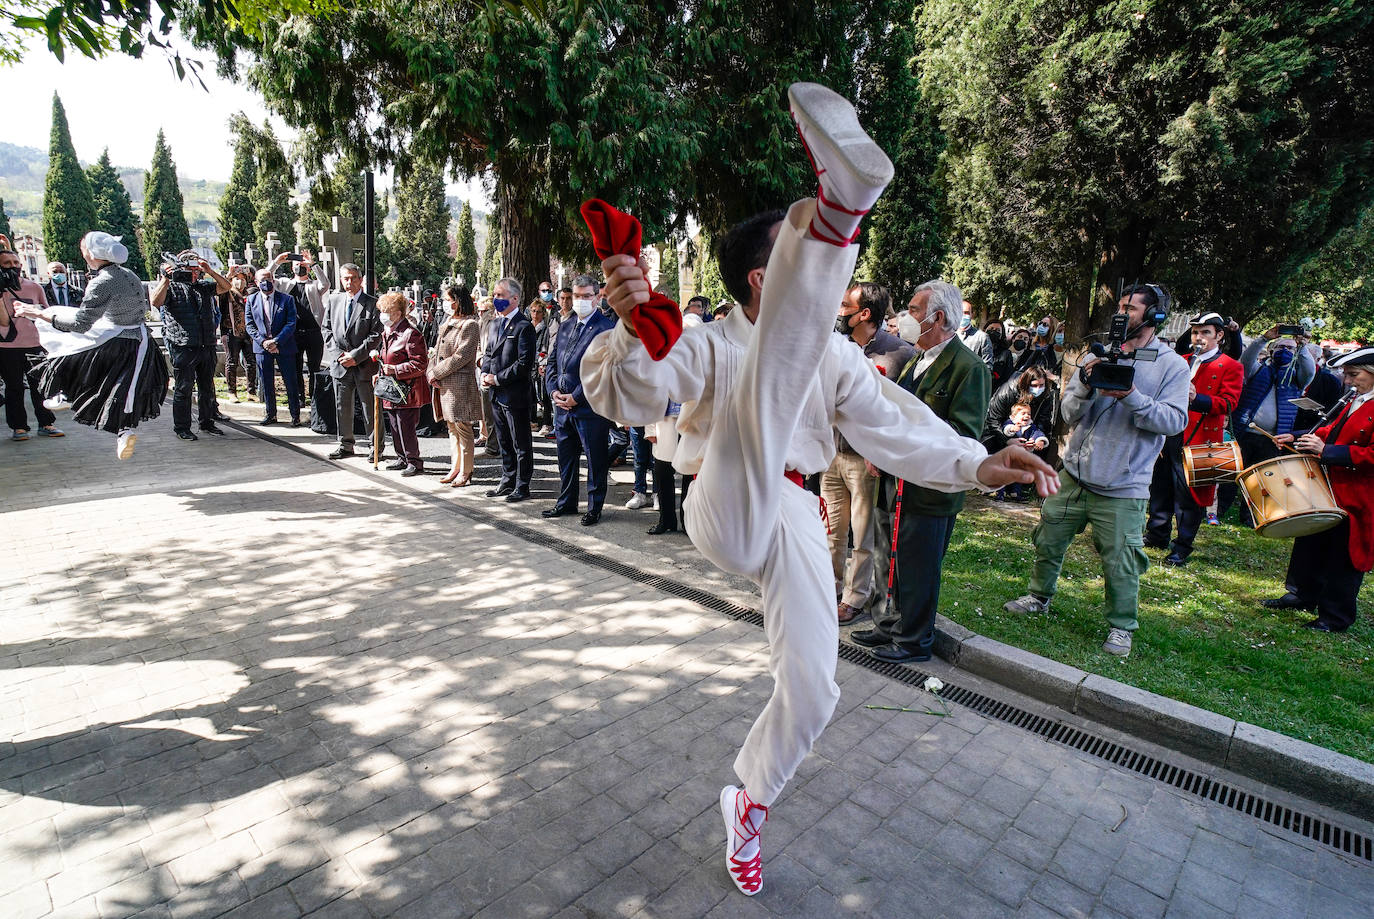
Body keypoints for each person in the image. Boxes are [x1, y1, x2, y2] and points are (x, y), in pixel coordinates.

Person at [582, 83, 1055, 897]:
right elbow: (626, 394)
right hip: (725, 501)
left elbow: (892, 422)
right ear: (768, 278)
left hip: (797, 509)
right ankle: (841, 204)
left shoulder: (833, 356)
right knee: (765, 398)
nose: (839, 295)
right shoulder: (706, 344)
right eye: (811, 270)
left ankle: (748, 799)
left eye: (827, 263)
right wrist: (631, 324)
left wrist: (977, 462)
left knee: (816, 684)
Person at [1004, 283, 1188, 658]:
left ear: (1154, 316)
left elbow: (1173, 421)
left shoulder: (1173, 366)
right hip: (1075, 474)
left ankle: (1122, 627)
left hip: (1123, 486)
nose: (1121, 315)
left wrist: (1130, 396)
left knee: (1122, 560)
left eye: (1131, 308)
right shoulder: (1097, 355)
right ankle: (1039, 596)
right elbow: (1068, 413)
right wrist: (1086, 383)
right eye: (1119, 307)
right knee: (1048, 538)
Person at [851, 279, 991, 663]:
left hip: (930, 491)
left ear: (938, 317)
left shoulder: (968, 367)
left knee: (919, 568)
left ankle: (914, 641)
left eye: (913, 310)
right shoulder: (917, 358)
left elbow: (962, 436)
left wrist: (901, 453)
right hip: (894, 483)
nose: (904, 318)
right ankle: (887, 625)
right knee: (888, 559)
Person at [20, 231, 169, 460]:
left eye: (83, 250)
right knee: (121, 391)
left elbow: (80, 324)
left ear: (92, 254)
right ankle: (124, 431)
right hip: (142, 342)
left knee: (68, 353)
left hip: (115, 342)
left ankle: (64, 394)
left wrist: (40, 315)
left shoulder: (103, 281)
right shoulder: (129, 274)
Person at [823, 280, 914, 625]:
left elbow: (901, 411)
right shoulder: (839, 347)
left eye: (846, 306)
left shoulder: (899, 354)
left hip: (867, 461)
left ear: (864, 313)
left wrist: (882, 450)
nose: (840, 311)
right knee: (833, 529)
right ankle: (827, 589)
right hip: (832, 453)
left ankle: (854, 598)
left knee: (862, 535)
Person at [1266, 347, 1374, 632]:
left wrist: (1328, 451)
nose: (1348, 381)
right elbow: (1332, 429)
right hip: (1327, 486)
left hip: (1357, 494)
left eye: (1355, 375)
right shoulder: (1356, 399)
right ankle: (1303, 594)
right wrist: (1299, 436)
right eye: (1347, 375)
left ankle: (1335, 616)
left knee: (1343, 555)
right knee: (1313, 541)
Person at [1144, 312, 1244, 565]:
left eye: (1205, 333)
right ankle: (1157, 534)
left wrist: (1196, 398)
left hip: (1200, 437)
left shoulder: (1231, 365)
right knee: (1161, 487)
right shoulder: (1182, 360)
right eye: (1196, 332)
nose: (1198, 338)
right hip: (1170, 432)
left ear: (1219, 336)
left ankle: (1182, 546)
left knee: (1189, 496)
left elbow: (1229, 403)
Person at [543, 275, 616, 525]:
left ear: (597, 297)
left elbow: (604, 371)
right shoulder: (566, 324)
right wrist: (553, 390)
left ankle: (595, 507)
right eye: (577, 296)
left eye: (586, 296)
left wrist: (576, 397)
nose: (581, 300)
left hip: (589, 407)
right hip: (561, 407)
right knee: (566, 458)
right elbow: (553, 362)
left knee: (595, 460)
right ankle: (566, 502)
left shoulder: (606, 328)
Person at [150, 251, 231, 441]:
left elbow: (225, 287)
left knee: (207, 387)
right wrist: (166, 278)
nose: (194, 274)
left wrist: (210, 270)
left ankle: (207, 422)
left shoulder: (203, 286)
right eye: (190, 270)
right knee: (183, 388)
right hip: (183, 345)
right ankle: (182, 427)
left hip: (206, 343)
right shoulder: (172, 286)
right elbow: (156, 301)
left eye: (196, 270)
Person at [0, 245, 63, 441]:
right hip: (7, 347)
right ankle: (19, 427)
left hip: (35, 344)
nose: (13, 267)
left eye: (16, 263)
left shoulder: (34, 287)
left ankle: (46, 423)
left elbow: (46, 313)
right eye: (7, 264)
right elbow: (3, 321)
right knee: (14, 387)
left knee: (40, 385)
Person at [482, 278, 536, 501]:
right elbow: (488, 353)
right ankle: (507, 479)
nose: (496, 299)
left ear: (514, 298)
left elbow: (524, 364)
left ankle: (522, 485)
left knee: (520, 442)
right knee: (504, 439)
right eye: (495, 295)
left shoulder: (524, 327)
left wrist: (498, 378)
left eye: (501, 295)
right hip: (496, 393)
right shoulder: (495, 324)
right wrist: (485, 373)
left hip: (515, 394)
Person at [322, 263, 382, 458]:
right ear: (341, 280)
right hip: (340, 364)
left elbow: (376, 335)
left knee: (369, 408)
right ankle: (345, 444)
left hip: (363, 365)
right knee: (342, 407)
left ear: (360, 279)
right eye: (345, 278)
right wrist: (340, 355)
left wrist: (355, 356)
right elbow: (326, 329)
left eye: (353, 278)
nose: (349, 282)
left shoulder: (372, 303)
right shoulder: (334, 300)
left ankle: (375, 447)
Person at [428, 284, 481, 486]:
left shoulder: (470, 325)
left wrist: (437, 371)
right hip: (444, 385)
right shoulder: (448, 321)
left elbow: (461, 356)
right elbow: (437, 350)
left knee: (463, 427)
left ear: (458, 300)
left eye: (448, 299)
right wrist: (431, 371)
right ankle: (455, 467)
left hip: (459, 384)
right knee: (451, 428)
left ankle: (466, 471)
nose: (445, 303)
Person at [374, 292, 429, 476]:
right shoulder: (387, 333)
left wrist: (395, 370)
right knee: (395, 426)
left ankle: (414, 461)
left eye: (387, 311)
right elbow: (385, 359)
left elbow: (420, 363)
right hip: (391, 390)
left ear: (398, 313)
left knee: (406, 426)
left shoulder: (410, 333)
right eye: (382, 311)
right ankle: (401, 457)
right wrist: (381, 373)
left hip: (408, 390)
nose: (383, 315)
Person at [246, 266, 301, 426]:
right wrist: (263, 342)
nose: (267, 282)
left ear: (273, 280)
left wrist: (276, 341)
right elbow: (249, 325)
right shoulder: (251, 300)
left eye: (269, 279)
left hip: (284, 345)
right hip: (262, 348)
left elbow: (291, 323)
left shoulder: (286, 299)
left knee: (290, 381)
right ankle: (271, 414)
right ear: (256, 282)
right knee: (266, 382)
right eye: (263, 280)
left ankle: (295, 415)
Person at [272, 250, 329, 401]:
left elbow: (325, 284)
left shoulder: (314, 285)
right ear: (292, 268)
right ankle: (299, 398)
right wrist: (277, 261)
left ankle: (315, 397)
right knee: (295, 366)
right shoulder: (285, 284)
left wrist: (313, 264)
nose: (300, 267)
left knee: (314, 367)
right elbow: (266, 278)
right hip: (293, 332)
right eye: (297, 265)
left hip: (313, 331)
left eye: (303, 265)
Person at [983, 365, 1059, 460]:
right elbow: (993, 420)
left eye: (1041, 385)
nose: (1038, 389)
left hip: (1025, 441)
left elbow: (1043, 422)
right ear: (1027, 384)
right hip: (999, 437)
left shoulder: (1045, 396)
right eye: (1034, 385)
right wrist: (1008, 440)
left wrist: (1035, 440)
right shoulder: (1007, 392)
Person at [994, 400, 1049, 500]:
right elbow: (1005, 430)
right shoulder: (1011, 423)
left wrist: (1040, 441)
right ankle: (1000, 493)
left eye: (1029, 414)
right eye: (1023, 413)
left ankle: (1015, 492)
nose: (1027, 416)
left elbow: (1038, 433)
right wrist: (1012, 429)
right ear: (1014, 416)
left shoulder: (1031, 427)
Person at [219, 266, 258, 402]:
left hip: (247, 333)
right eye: (237, 279)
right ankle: (232, 392)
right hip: (230, 332)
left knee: (251, 362)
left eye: (242, 279)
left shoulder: (251, 293)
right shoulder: (227, 292)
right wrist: (228, 275)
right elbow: (219, 286)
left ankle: (251, 391)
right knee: (232, 362)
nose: (240, 282)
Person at [475, 295, 499, 456]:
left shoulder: (496, 323)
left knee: (494, 412)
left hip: (495, 371)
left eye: (484, 311)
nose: (481, 313)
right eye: (479, 310)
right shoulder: (480, 323)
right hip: (482, 368)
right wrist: (479, 359)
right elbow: (477, 345)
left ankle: (494, 446)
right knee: (485, 411)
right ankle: (489, 442)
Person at [530, 300, 555, 436]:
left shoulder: (545, 328)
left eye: (538, 311)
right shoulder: (528, 327)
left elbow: (544, 346)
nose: (535, 314)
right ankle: (532, 420)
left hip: (540, 362)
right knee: (530, 393)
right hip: (529, 363)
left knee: (544, 394)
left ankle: (547, 422)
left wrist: (542, 361)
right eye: (533, 311)